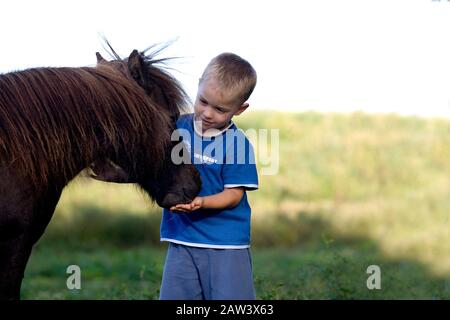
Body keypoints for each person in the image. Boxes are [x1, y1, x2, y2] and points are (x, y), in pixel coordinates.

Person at [159, 52, 258, 300]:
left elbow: (234, 195)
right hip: (181, 237)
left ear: (240, 109)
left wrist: (202, 202)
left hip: (224, 243)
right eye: (203, 101)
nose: (208, 113)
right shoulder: (178, 128)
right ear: (199, 82)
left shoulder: (237, 144)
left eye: (220, 109)